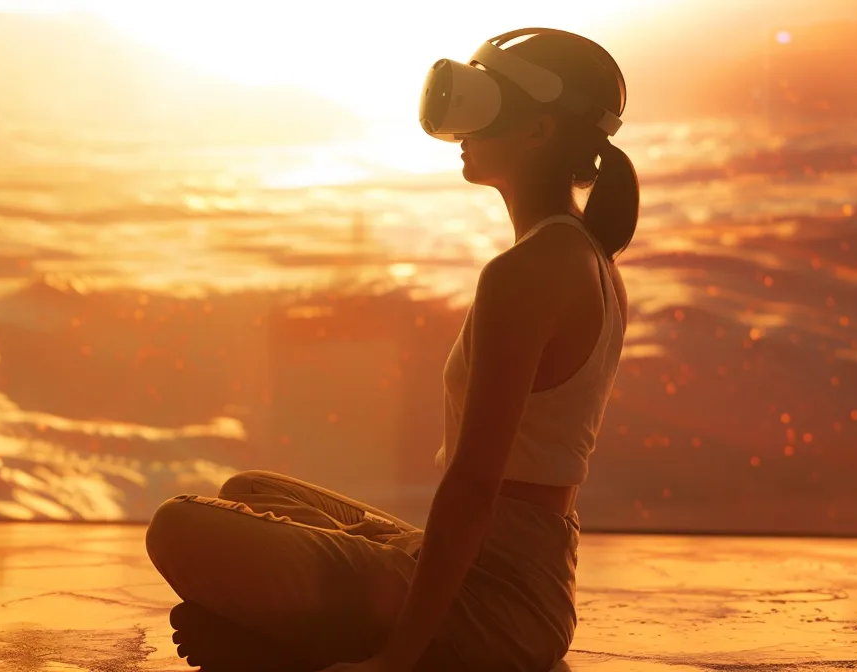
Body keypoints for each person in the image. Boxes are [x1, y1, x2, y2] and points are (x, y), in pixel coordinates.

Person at [145, 27, 638, 672]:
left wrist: (396, 660)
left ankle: (294, 647)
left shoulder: (529, 272)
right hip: (517, 574)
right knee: (250, 488)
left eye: (484, 104)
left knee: (177, 525)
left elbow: (474, 483)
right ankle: (278, 633)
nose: (463, 127)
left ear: (539, 131)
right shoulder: (583, 255)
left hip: (499, 605)